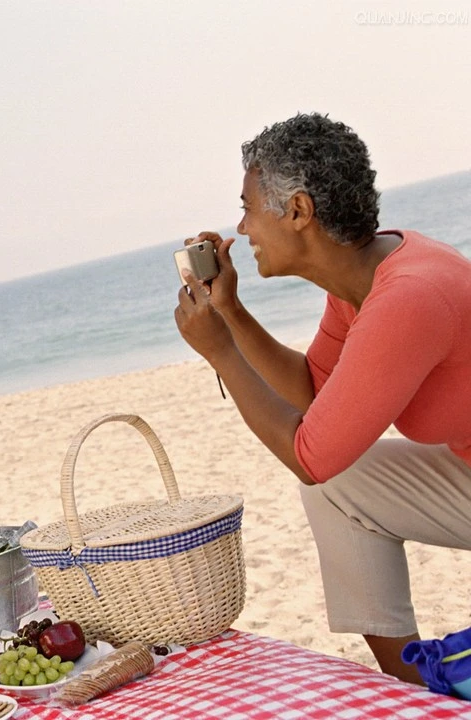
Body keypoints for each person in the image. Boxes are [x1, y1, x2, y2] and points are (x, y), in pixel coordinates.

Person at [174, 112, 471, 684]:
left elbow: (311, 454)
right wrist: (230, 314)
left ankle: (421, 692)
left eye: (247, 207)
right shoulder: (363, 278)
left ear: (299, 211)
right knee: (342, 488)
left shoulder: (408, 296)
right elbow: (314, 391)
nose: (242, 228)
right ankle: (411, 690)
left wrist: (222, 355)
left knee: (325, 473)